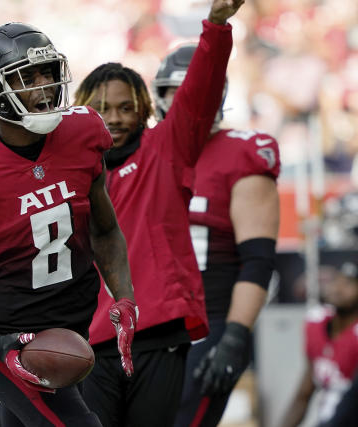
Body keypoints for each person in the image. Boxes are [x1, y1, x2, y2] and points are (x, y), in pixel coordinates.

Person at [0, 22, 137, 427]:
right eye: (26, 77)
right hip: (5, 339)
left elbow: (104, 229)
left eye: (48, 74)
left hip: (70, 330)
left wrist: (123, 296)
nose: (43, 87)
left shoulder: (83, 133)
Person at [73, 1, 244, 426]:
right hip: (87, 339)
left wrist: (216, 25)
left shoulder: (165, 149)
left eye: (125, 107)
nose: (113, 117)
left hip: (158, 333)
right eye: (101, 107)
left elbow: (200, 93)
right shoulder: (66, 169)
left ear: (144, 110)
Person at [148, 44, 281, 427]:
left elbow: (258, 261)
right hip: (148, 322)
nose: (187, 100)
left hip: (210, 320)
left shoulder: (242, 154)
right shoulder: (145, 152)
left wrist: (235, 337)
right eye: (176, 90)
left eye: (195, 89)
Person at [281, 262, 358, 427]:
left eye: (349, 283)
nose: (339, 288)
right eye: (337, 280)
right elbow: (304, 393)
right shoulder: (316, 324)